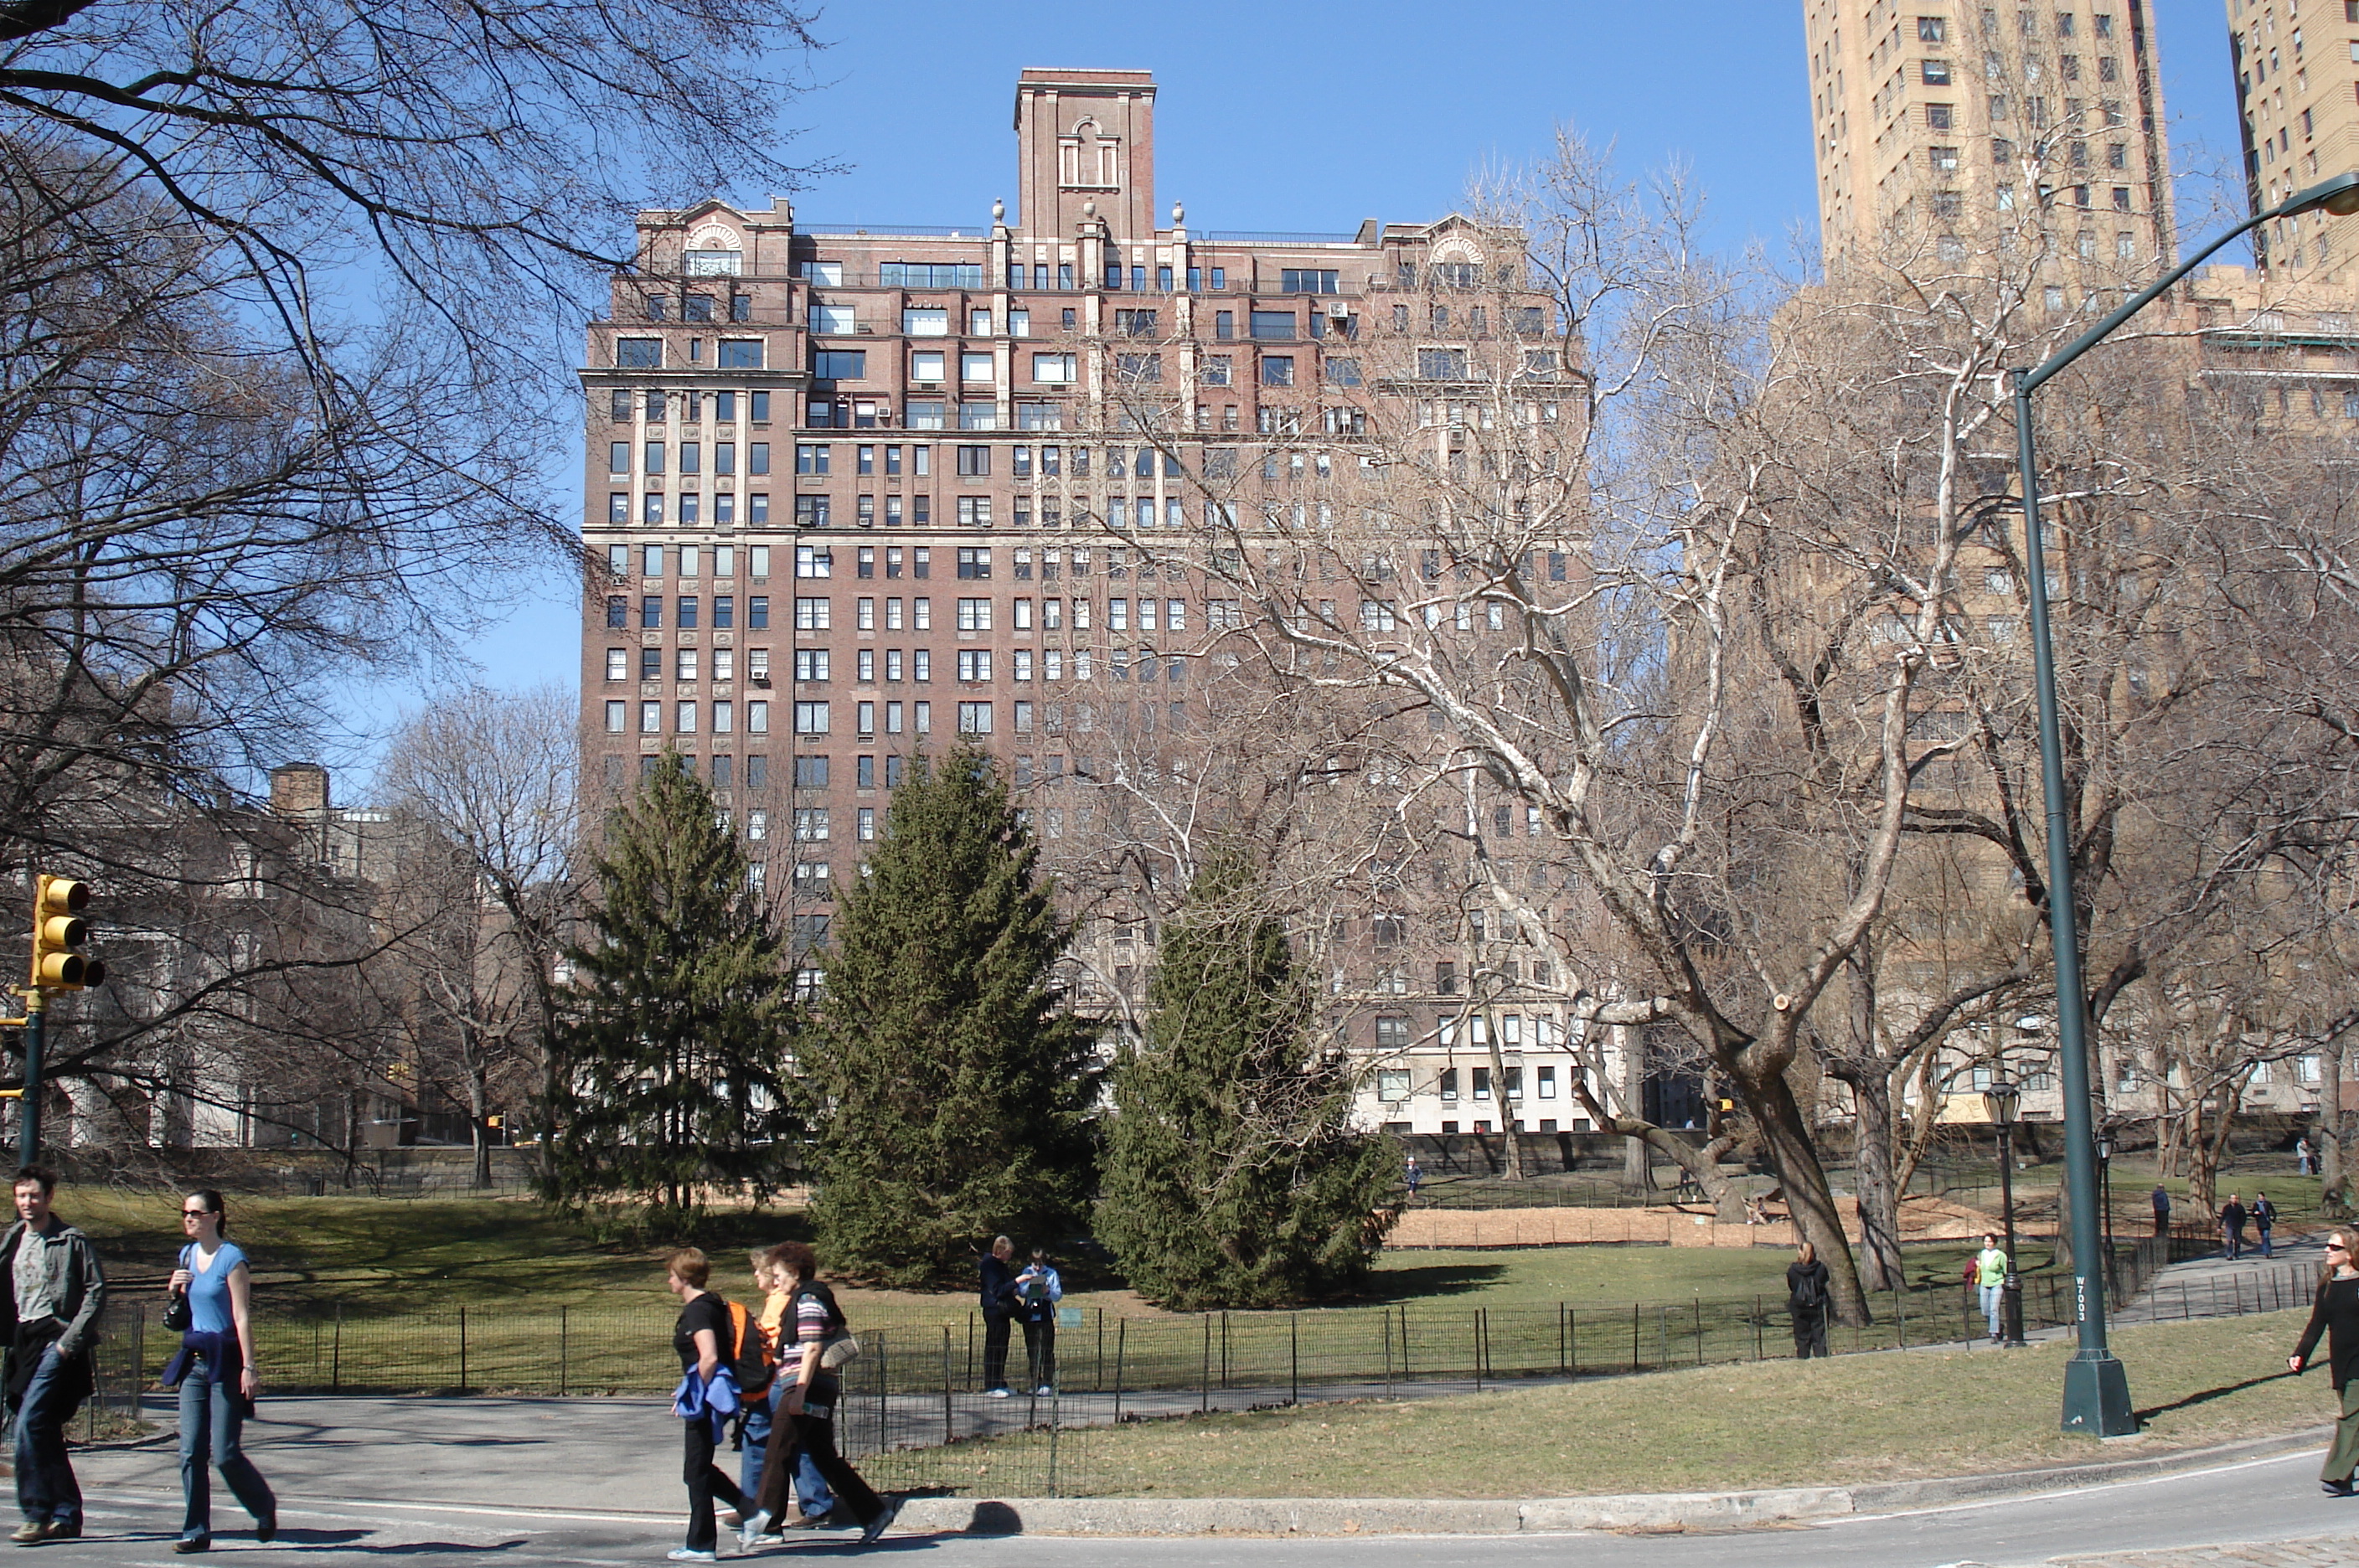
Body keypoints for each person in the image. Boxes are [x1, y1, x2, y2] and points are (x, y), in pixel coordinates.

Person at [743, 1243, 896, 1549]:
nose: (776, 1281)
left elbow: (812, 1348)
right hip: (815, 1385)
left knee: (778, 1449)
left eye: (779, 1274)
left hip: (806, 1385)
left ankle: (761, 1518)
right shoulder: (804, 1298)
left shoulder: (809, 1299)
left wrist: (799, 1391)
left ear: (795, 1272)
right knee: (823, 1455)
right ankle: (874, 1513)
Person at [159, 1190, 276, 1553]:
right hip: (194, 1360)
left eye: (196, 1212)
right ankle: (196, 1530)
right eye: (185, 1212)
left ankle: (263, 1507)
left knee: (224, 1452)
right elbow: (183, 1308)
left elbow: (241, 1317)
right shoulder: (186, 1255)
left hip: (225, 1362)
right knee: (190, 1451)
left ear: (215, 1217)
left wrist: (248, 1366)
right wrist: (175, 1288)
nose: (188, 1218)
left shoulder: (232, 1259)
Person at [1, 1165, 105, 1545]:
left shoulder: (70, 1240)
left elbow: (95, 1291)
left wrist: (69, 1341)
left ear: (48, 1198)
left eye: (34, 1196)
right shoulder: (13, 1238)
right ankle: (67, 1513)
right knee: (41, 1429)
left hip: (56, 1336)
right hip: (23, 1339)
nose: (28, 1202)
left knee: (27, 1424)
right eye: (21, 1195)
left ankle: (36, 1513)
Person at [664, 1247, 748, 1563]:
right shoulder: (708, 1305)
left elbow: (709, 1356)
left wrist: (692, 1391)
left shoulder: (699, 1309)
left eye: (672, 1275)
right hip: (710, 1392)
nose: (669, 1281)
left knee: (696, 1471)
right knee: (697, 1469)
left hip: (708, 1395)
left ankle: (702, 1544)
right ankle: (750, 1510)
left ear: (684, 1278)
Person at [2290, 1228, 2359, 1496]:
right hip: (2341, 1363)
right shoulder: (2328, 1286)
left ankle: (2336, 1474)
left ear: (2350, 1253)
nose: (2327, 1250)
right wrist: (2300, 1354)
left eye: (2334, 1247)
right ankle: (2345, 1474)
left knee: (2351, 1419)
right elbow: (2317, 1324)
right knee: (2354, 1419)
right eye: (2327, 1246)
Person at [1016, 1248, 1062, 1396]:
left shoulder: (1051, 1274)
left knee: (1046, 1350)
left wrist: (1047, 1291)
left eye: (1040, 1264)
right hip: (1030, 1317)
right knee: (1032, 1351)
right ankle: (1035, 1382)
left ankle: (1048, 1383)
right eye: (1035, 1264)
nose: (1037, 1267)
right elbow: (1021, 1291)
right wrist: (1030, 1286)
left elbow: (1057, 1295)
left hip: (1045, 1316)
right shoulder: (1026, 1272)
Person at [978, 1235, 1019, 1397]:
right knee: (994, 1347)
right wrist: (1017, 1281)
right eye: (1008, 1253)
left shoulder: (1001, 1266)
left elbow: (1005, 1287)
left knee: (1002, 1347)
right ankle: (991, 1384)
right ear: (1000, 1251)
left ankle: (1000, 1381)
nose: (1010, 1256)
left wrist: (1014, 1289)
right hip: (994, 1310)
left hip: (1003, 1312)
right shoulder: (989, 1265)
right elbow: (997, 1290)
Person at [1786, 1241, 1830, 1359]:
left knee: (1801, 1335)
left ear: (1801, 1252)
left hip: (1799, 1306)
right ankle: (1821, 1356)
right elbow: (1824, 1281)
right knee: (1819, 1334)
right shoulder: (1820, 1268)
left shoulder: (1793, 1270)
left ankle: (1803, 1356)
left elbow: (1792, 1285)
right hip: (1818, 1304)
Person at [1973, 1232, 2010, 1343]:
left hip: (1997, 1283)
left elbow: (2006, 1270)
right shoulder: (1981, 1254)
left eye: (1989, 1241)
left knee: (1994, 1309)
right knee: (1985, 1310)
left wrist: (2006, 1281)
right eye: (1985, 1241)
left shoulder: (2000, 1255)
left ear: (1994, 1243)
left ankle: (1994, 1334)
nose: (1987, 1244)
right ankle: (1998, 1326)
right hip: (1984, 1284)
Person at [2222, 1194, 2248, 1261]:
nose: (2234, 1200)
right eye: (2232, 1198)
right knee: (2229, 1240)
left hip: (2238, 1226)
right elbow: (2223, 1217)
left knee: (2237, 1241)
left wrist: (2242, 1224)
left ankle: (2237, 1254)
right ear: (2230, 1199)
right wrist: (2219, 1226)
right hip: (2229, 1226)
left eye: (2235, 1198)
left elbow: (2244, 1217)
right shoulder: (2227, 1208)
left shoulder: (2240, 1207)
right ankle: (2229, 1254)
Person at [2254, 1192, 2279, 1259]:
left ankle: (2269, 1252)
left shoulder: (2267, 1203)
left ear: (2264, 1197)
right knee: (2263, 1239)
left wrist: (2273, 1218)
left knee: (2266, 1237)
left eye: (2261, 1196)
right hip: (2260, 1224)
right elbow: (2253, 1213)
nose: (2260, 1198)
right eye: (2259, 1197)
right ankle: (2266, 1253)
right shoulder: (2256, 1204)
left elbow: (2273, 1212)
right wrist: (2256, 1213)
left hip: (2267, 1223)